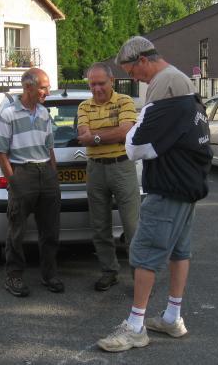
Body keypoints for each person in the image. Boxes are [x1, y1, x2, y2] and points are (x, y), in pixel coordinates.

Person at [97, 36, 213, 352]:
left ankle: (135, 327)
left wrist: (133, 128)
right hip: (187, 184)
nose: (134, 79)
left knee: (145, 253)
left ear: (143, 60)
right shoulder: (184, 87)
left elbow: (134, 146)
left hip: (168, 186)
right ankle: (172, 317)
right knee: (178, 250)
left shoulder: (166, 86)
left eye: (132, 72)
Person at [0, 68, 63, 297]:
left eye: (47, 86)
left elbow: (49, 148)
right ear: (28, 87)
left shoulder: (43, 113)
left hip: (46, 174)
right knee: (17, 231)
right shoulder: (8, 114)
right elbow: (0, 152)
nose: (47, 91)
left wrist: (53, 174)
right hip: (23, 173)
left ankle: (49, 275)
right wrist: (14, 181)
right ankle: (13, 276)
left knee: (50, 230)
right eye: (43, 87)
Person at [77, 62, 140, 291]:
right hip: (95, 169)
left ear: (111, 81)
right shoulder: (84, 106)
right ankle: (109, 271)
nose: (96, 89)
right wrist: (106, 135)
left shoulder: (125, 101)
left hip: (121, 167)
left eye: (101, 83)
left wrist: (95, 137)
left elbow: (125, 131)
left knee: (132, 226)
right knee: (100, 225)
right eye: (92, 84)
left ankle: (139, 278)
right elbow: (82, 135)